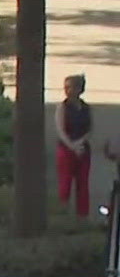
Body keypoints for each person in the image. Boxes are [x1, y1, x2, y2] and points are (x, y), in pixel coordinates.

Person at [57, 74, 95, 219]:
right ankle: (63, 215)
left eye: (70, 87)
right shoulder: (62, 107)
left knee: (83, 185)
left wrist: (81, 143)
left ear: (79, 89)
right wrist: (72, 146)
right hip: (65, 150)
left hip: (83, 150)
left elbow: (90, 128)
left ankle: (82, 216)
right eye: (65, 87)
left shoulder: (86, 108)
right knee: (65, 184)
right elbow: (61, 130)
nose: (66, 90)